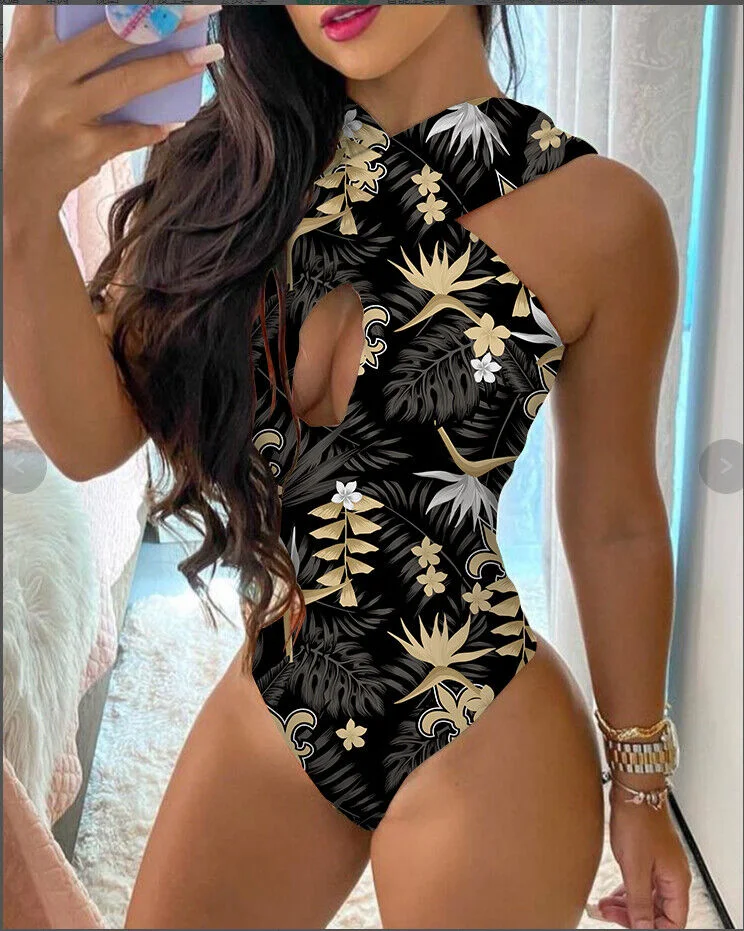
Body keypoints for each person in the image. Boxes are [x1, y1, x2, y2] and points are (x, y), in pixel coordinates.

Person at [3, 5, 692, 929]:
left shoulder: (602, 216)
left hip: (482, 720)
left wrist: (641, 789)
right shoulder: (229, 173)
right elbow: (90, 440)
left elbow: (616, 524)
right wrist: (15, 202)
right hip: (282, 688)